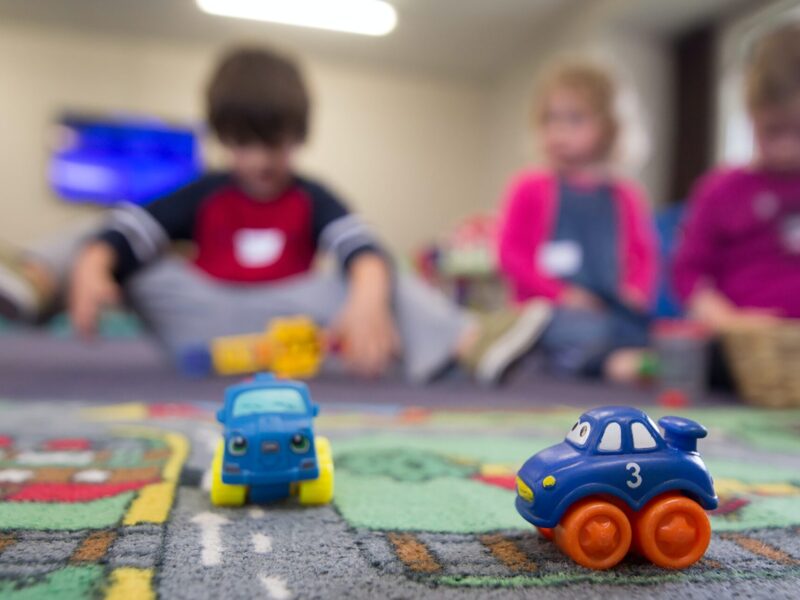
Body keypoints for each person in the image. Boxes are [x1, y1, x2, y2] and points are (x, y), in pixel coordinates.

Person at [0, 46, 548, 384]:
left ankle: (468, 343)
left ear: (299, 137)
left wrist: (365, 296)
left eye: (275, 144)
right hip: (198, 320)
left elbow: (362, 248)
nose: (260, 161)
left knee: (373, 275)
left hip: (287, 323)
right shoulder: (206, 190)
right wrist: (96, 263)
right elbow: (129, 231)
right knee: (99, 234)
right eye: (244, 144)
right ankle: (35, 277)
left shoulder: (311, 195)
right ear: (222, 138)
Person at [496, 61, 658, 382]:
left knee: (643, 330)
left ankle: (591, 359)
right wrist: (563, 296)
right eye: (550, 119)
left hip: (605, 308)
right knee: (564, 328)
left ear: (609, 127)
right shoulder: (530, 188)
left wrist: (634, 291)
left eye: (574, 119)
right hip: (546, 310)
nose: (558, 131)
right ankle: (593, 361)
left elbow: (643, 255)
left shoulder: (624, 196)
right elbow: (511, 256)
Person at [672, 24, 800, 387]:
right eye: (773, 131)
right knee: (688, 356)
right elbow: (689, 274)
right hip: (738, 351)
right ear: (752, 114)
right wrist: (729, 321)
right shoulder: (721, 191)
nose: (788, 147)